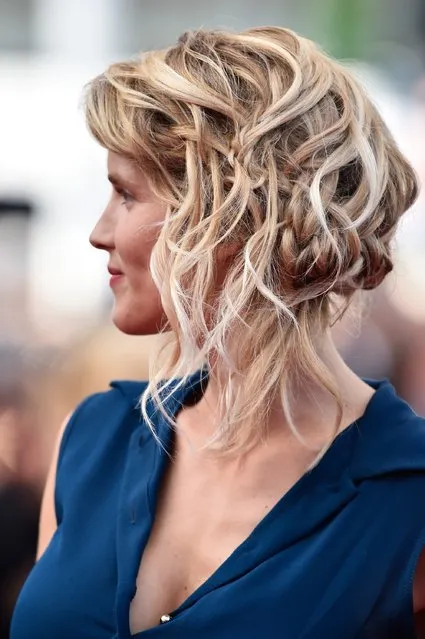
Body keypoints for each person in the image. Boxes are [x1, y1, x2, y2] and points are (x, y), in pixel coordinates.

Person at [10, 26, 425, 638]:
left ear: (227, 213)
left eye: (125, 194)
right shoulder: (94, 440)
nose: (98, 232)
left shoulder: (407, 492)